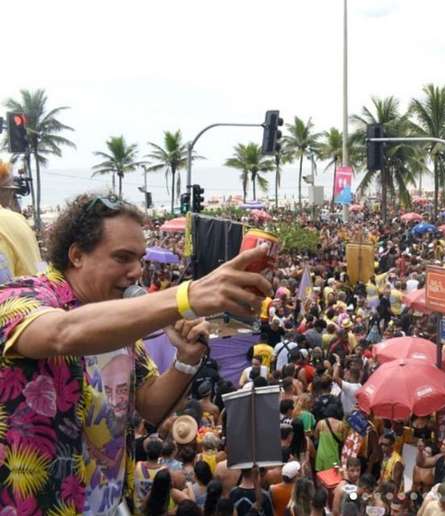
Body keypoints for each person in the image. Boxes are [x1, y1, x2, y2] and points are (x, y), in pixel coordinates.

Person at [0, 194, 273, 513]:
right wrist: (188, 295)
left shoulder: (121, 319)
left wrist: (186, 360)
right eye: (122, 258)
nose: (136, 271)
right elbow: (62, 333)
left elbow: (150, 406)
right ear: (76, 255)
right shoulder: (21, 296)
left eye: (139, 259)